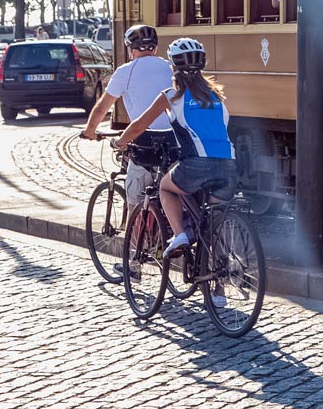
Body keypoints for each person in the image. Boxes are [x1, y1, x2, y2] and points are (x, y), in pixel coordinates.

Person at [116, 37, 237, 260]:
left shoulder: (171, 96)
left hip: (197, 165)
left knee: (165, 187)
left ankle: (180, 235)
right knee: (212, 229)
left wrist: (120, 142)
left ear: (173, 67)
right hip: (229, 166)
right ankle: (219, 288)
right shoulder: (216, 96)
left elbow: (140, 125)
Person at [81, 24, 175, 205]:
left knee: (135, 199)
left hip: (145, 140)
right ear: (155, 48)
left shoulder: (126, 71)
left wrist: (90, 131)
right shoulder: (168, 67)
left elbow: (102, 107)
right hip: (174, 139)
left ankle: (133, 230)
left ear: (130, 49)